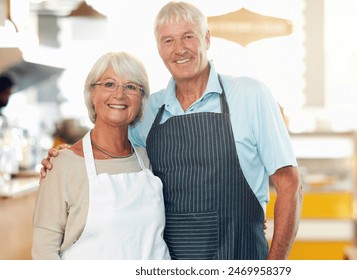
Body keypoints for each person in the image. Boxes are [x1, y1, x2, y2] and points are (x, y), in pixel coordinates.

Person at [41, 1, 303, 260]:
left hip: (238, 257)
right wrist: (68, 157)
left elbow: (290, 184)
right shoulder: (147, 110)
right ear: (159, 49)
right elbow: (110, 153)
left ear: (207, 39)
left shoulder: (250, 95)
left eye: (188, 37)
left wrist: (273, 268)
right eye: (168, 41)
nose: (179, 49)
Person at [32, 51, 170, 260]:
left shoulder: (147, 159)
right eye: (109, 84)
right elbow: (44, 251)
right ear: (92, 94)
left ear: (141, 100)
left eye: (131, 86)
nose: (119, 94)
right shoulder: (64, 165)